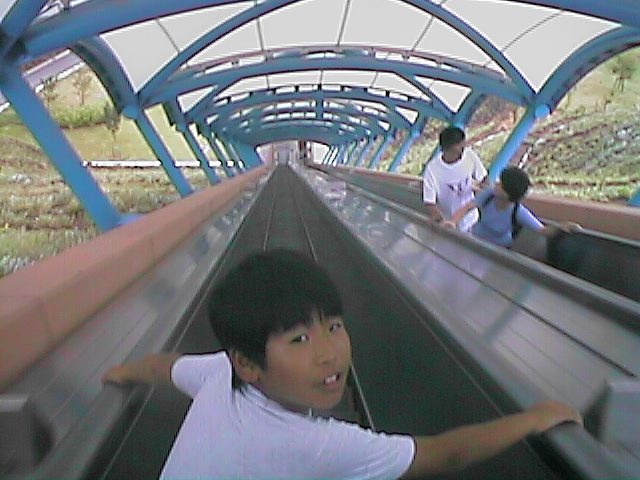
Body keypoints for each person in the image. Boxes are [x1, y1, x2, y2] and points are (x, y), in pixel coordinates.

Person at [103, 249, 582, 479]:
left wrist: (119, 373)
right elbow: (443, 455)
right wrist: (531, 419)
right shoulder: (312, 444)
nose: (329, 352)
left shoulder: (217, 374)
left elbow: (161, 367)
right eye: (299, 339)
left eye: (333, 326)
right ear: (247, 364)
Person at [444, 166, 581, 248]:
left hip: (498, 250)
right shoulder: (489, 195)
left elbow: (542, 230)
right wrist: (453, 221)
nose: (496, 184)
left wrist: (562, 227)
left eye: (501, 184)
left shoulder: (517, 212)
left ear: (508, 194)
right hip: (477, 241)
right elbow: (468, 207)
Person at [423, 126, 487, 231]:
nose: (463, 149)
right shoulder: (432, 169)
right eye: (460, 147)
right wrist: (440, 219)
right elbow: (429, 201)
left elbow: (484, 179)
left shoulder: (470, 156)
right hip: (448, 223)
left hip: (471, 220)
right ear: (450, 148)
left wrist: (481, 191)